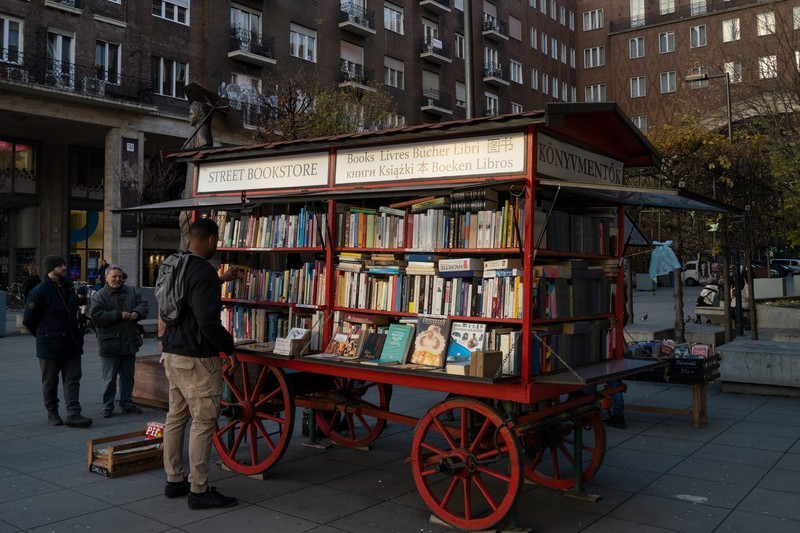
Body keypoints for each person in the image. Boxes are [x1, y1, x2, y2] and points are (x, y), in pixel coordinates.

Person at [160, 218, 238, 510]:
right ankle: (199, 489)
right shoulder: (204, 270)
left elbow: (185, 299)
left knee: (176, 417)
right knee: (204, 422)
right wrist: (228, 347)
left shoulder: (175, 263)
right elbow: (206, 319)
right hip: (197, 357)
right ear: (210, 239)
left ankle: (174, 480)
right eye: (216, 240)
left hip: (171, 351)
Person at [22, 255, 92, 428]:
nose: (64, 268)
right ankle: (52, 413)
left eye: (64, 264)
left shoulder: (68, 287)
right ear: (51, 268)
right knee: (50, 382)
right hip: (49, 345)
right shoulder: (39, 291)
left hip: (71, 343)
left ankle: (74, 413)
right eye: (60, 265)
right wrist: (44, 335)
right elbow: (29, 320)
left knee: (73, 379)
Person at [90, 265, 149, 418]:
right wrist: (118, 315)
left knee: (128, 376)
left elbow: (143, 305)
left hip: (129, 341)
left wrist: (137, 313)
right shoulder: (100, 296)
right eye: (113, 276)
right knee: (109, 378)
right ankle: (107, 406)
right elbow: (96, 317)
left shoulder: (131, 291)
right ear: (106, 278)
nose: (117, 279)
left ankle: (126, 403)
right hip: (110, 343)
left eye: (119, 276)